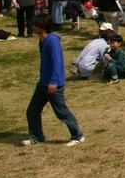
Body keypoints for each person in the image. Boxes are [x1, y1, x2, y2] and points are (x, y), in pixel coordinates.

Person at [22, 14, 84, 147]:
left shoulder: (52, 41)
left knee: (61, 112)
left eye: (34, 25)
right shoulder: (43, 40)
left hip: (53, 84)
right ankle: (37, 136)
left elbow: (57, 62)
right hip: (43, 83)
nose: (32, 27)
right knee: (32, 111)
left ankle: (78, 135)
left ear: (41, 27)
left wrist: (54, 81)